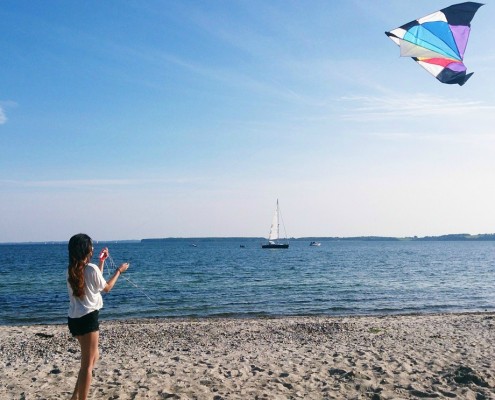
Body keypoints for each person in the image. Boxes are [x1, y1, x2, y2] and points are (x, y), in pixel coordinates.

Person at [66, 233, 129, 400]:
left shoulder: (73, 270)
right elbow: (106, 287)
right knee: (86, 366)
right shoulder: (89, 269)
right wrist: (118, 271)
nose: (93, 248)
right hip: (88, 319)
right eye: (91, 246)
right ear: (86, 250)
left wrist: (102, 261)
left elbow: (96, 283)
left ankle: (74, 397)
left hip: (74, 320)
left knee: (94, 357)